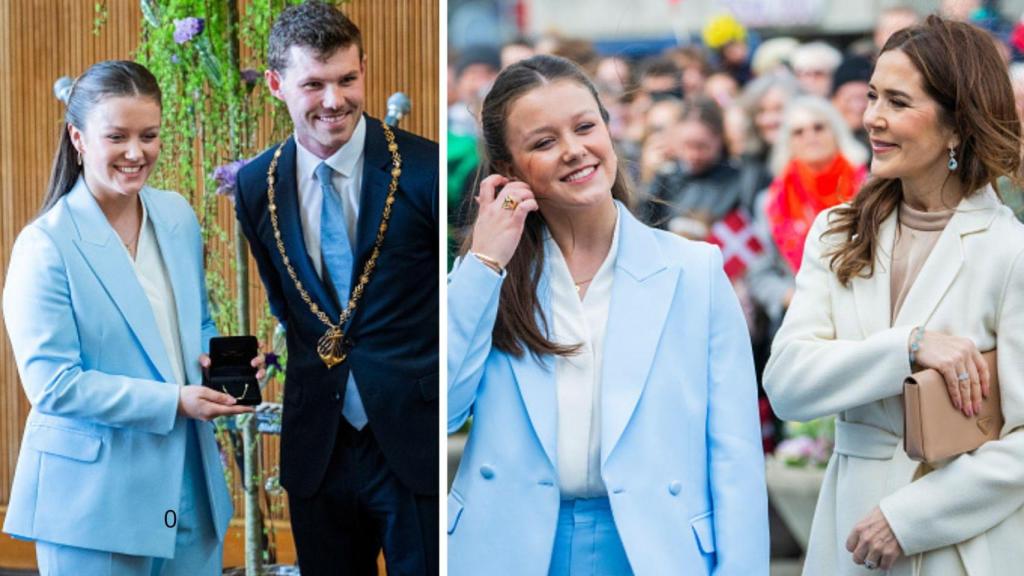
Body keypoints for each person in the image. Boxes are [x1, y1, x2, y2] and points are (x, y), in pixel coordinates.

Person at [447, 54, 769, 576]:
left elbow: (735, 456)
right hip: (507, 544)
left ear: (608, 127)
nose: (574, 151)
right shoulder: (487, 276)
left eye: (585, 126)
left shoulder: (694, 269)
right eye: (544, 142)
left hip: (654, 546)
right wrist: (484, 261)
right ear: (509, 170)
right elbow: (443, 409)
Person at [764, 16, 1024, 575]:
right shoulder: (838, 231)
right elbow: (786, 383)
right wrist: (908, 346)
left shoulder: (1010, 252)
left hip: (957, 547)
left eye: (899, 102)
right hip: (848, 537)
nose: (872, 118)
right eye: (874, 96)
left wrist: (911, 518)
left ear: (957, 125)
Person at [2, 60, 257, 575]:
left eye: (149, 135)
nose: (136, 153)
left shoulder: (177, 216)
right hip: (93, 505)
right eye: (116, 136)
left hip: (191, 490)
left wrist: (217, 367)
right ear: (78, 137)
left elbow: (195, 324)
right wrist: (175, 400)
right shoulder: (45, 245)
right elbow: (54, 386)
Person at [233, 3, 438, 575]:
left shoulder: (425, 171)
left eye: (348, 79)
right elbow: (288, 305)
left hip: (411, 439)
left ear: (364, 68)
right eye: (314, 84)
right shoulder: (256, 185)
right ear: (277, 84)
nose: (334, 100)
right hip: (318, 444)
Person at [764, 95, 868, 273]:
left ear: (835, 132)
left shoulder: (868, 186)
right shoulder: (770, 201)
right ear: (789, 143)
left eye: (818, 128)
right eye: (798, 132)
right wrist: (787, 294)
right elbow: (762, 269)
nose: (810, 136)